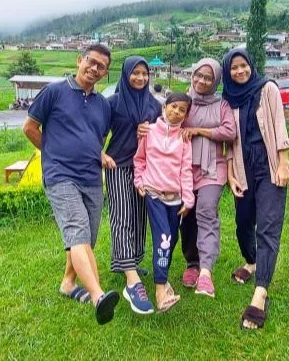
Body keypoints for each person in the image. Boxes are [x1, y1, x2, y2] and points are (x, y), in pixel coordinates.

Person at [22, 44, 120, 325]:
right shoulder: (54, 92)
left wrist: (99, 154)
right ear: (80, 60)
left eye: (101, 66)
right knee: (77, 232)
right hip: (60, 176)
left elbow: (97, 137)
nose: (94, 68)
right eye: (91, 61)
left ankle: (68, 283)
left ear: (105, 73)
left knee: (86, 238)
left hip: (90, 177)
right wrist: (51, 152)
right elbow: (29, 128)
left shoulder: (103, 105)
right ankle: (99, 296)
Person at [222, 48, 289, 330]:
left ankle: (260, 292)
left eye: (243, 66)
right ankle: (251, 262)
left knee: (267, 228)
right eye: (234, 68)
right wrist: (230, 174)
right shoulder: (229, 101)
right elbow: (228, 142)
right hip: (243, 169)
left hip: (270, 166)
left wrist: (284, 162)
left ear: (251, 66)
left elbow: (279, 124)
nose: (240, 71)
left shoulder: (268, 89)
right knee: (242, 224)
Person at [101, 56, 162, 315]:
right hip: (119, 166)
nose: (140, 78)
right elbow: (98, 133)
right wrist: (100, 154)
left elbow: (162, 135)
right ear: (125, 75)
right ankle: (131, 281)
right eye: (135, 73)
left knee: (139, 218)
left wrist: (150, 134)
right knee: (123, 216)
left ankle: (132, 261)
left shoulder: (154, 105)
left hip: (146, 168)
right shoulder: (112, 103)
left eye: (144, 73)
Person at [178, 59, 237, 297]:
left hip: (212, 169)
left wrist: (199, 131)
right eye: (198, 76)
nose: (202, 81)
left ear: (216, 81)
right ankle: (192, 263)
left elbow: (230, 132)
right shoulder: (185, 101)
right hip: (184, 169)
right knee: (187, 217)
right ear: (192, 75)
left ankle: (205, 272)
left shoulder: (221, 105)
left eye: (208, 78)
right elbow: (168, 120)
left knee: (206, 211)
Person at [133, 92, 195, 313]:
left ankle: (163, 277)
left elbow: (185, 170)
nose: (176, 112)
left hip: (175, 197)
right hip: (153, 193)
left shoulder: (184, 138)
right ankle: (160, 291)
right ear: (164, 107)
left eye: (182, 110)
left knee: (172, 238)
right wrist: (139, 181)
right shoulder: (148, 131)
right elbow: (139, 159)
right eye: (173, 107)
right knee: (164, 238)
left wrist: (188, 198)